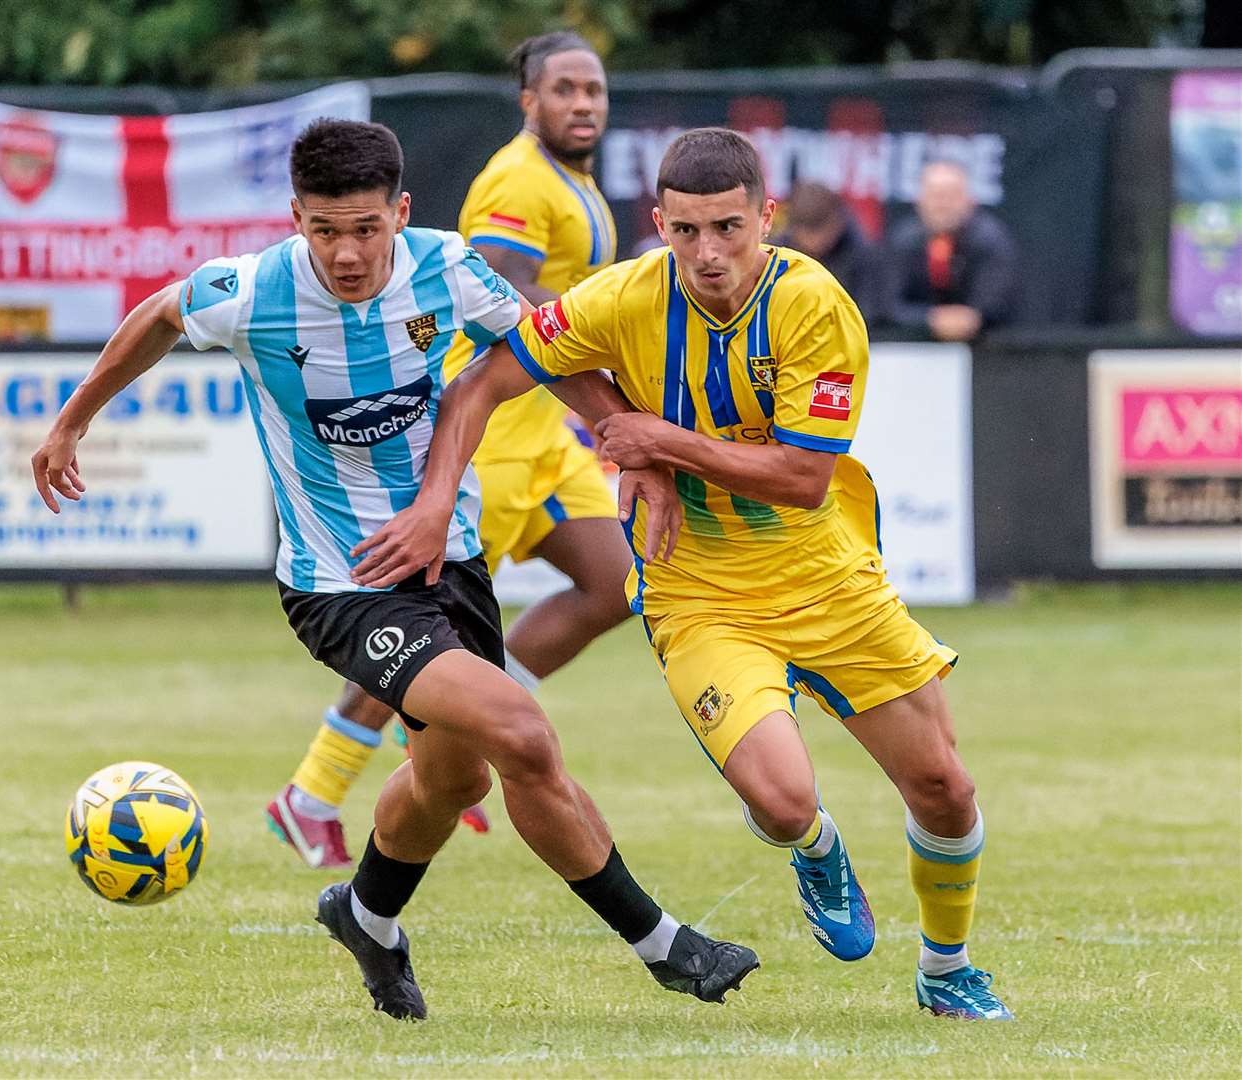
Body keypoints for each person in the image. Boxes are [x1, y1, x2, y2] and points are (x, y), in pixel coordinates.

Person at [30, 118, 758, 1020]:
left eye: (366, 229)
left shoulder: (445, 267)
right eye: (324, 230)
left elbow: (545, 347)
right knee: (522, 735)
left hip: (450, 565)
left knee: (453, 783)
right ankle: (668, 947)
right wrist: (72, 422)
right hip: (339, 585)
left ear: (401, 213)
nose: (344, 253)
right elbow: (160, 315)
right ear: (296, 218)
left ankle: (366, 917)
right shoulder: (253, 290)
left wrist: (631, 446)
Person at [352, 127, 1014, 1022]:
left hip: (826, 574)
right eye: (688, 231)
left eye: (730, 229)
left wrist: (655, 443)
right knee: (783, 805)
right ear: (658, 223)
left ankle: (947, 968)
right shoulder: (620, 298)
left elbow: (802, 475)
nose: (709, 253)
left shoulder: (815, 306)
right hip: (696, 589)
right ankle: (815, 851)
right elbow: (482, 381)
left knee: (945, 787)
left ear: (766, 219)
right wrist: (434, 502)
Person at [266, 31, 632, 869]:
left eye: (594, 90)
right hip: (491, 436)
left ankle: (469, 723)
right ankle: (311, 794)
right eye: (565, 90)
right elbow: (508, 286)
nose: (583, 104)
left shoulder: (573, 182)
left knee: (617, 583)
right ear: (528, 102)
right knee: (418, 618)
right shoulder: (516, 178)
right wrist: (611, 319)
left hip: (549, 440)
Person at [883, 160, 1017, 341]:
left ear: (970, 200)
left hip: (986, 349)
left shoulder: (991, 240)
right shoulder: (903, 241)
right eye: (935, 195)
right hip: (913, 349)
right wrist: (930, 319)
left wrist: (970, 319)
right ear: (919, 200)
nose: (943, 204)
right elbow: (888, 304)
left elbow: (997, 305)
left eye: (951, 195)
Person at [771, 181, 884, 326]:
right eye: (807, 232)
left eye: (818, 231)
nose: (814, 242)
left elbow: (871, 314)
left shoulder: (864, 256)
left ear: (837, 222)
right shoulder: (776, 257)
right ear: (794, 229)